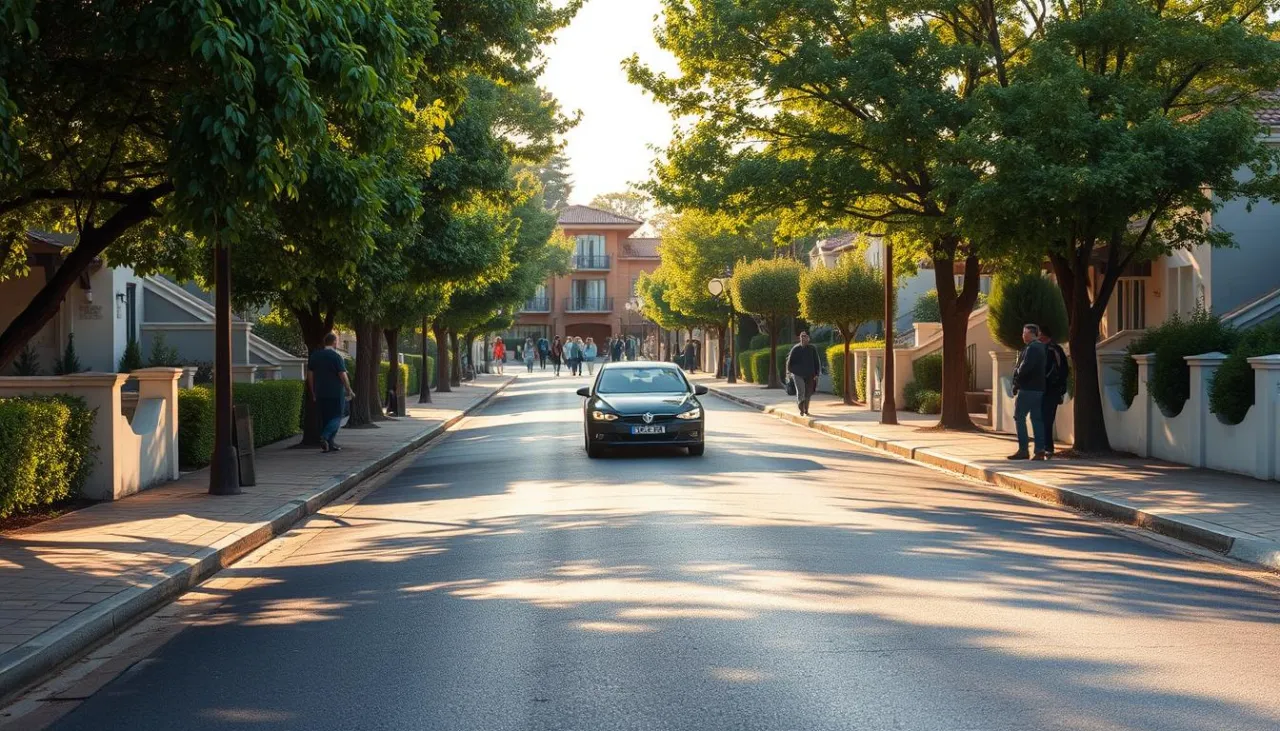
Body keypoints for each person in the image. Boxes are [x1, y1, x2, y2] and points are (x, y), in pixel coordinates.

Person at [306, 332, 355, 453]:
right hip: (335, 392)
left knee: (326, 418)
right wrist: (349, 389)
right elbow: (342, 375)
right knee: (337, 416)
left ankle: (330, 444)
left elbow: (310, 375)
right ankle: (325, 436)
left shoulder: (315, 356)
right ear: (334, 342)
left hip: (320, 392)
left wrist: (313, 391)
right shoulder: (336, 356)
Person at [1010, 323, 1049, 461]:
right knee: (1037, 418)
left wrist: (1017, 382)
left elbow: (1025, 368)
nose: (1022, 336)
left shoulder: (1032, 348)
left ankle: (1023, 450)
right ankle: (1039, 450)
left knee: (1019, 417)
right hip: (1038, 389)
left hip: (1028, 389)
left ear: (1031, 334)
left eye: (1024, 333)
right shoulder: (1041, 347)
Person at [1040, 324, 1069, 458]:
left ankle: (1047, 448)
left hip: (1049, 390)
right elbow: (1065, 371)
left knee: (1046, 419)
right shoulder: (1055, 349)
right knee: (1045, 419)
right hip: (1049, 390)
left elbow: (1062, 371)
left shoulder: (1051, 350)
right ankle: (1045, 447)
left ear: (1043, 335)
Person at [785, 331, 822, 417]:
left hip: (810, 374)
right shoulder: (796, 349)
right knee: (801, 391)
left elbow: (816, 361)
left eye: (805, 337)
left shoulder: (812, 349)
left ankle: (806, 409)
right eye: (802, 337)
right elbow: (789, 362)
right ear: (800, 338)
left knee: (808, 392)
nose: (803, 338)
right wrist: (791, 372)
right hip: (798, 374)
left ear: (808, 338)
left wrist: (817, 373)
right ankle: (801, 408)